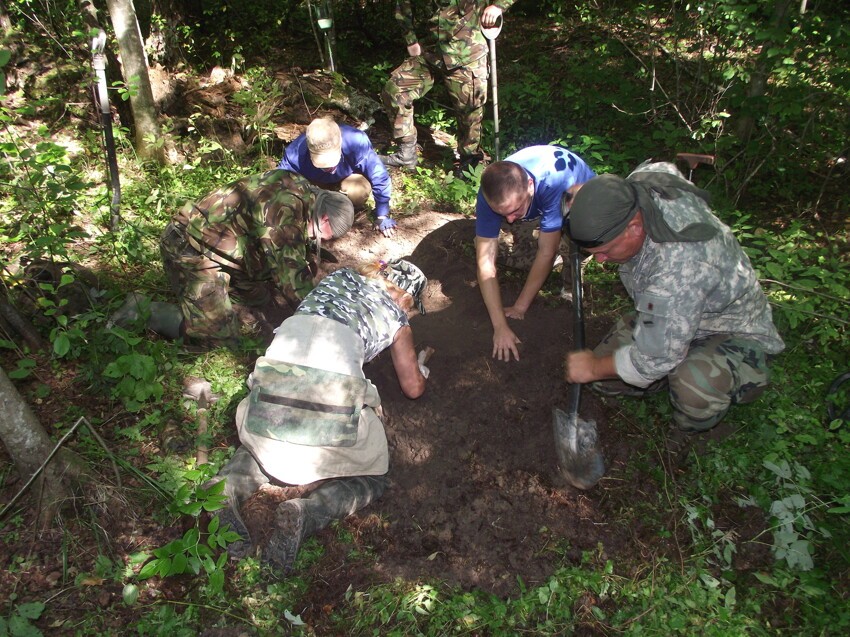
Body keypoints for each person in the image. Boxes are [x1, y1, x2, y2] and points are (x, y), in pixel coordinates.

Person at [207, 258, 430, 573]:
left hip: (273, 379)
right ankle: (309, 513)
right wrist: (420, 371)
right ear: (406, 298)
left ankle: (226, 487)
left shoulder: (337, 279)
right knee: (374, 476)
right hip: (326, 396)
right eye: (411, 307)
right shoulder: (396, 317)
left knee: (260, 446)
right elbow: (413, 388)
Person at [564, 160, 785, 435]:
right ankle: (665, 366)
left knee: (692, 385)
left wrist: (594, 367)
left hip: (728, 330)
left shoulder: (677, 271)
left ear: (634, 227)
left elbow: (650, 361)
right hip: (678, 311)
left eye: (605, 251)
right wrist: (591, 198)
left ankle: (696, 430)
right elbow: (663, 166)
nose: (600, 260)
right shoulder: (644, 184)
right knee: (605, 380)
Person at [129, 169, 354, 343]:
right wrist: (326, 322)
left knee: (264, 300)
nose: (323, 241)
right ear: (324, 218)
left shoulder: (300, 188)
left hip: (227, 245)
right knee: (219, 334)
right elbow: (293, 279)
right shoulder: (285, 214)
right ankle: (144, 309)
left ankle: (229, 297)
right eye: (326, 236)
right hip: (189, 246)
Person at [475, 145, 596, 362]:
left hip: (578, 202)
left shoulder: (555, 182)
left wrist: (520, 307)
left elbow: (546, 252)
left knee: (577, 240)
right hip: (539, 205)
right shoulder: (489, 196)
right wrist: (500, 326)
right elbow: (485, 263)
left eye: (515, 211)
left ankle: (570, 275)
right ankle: (547, 236)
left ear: (530, 185)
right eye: (503, 214)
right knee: (498, 250)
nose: (510, 220)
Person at [381, 1, 515, 173]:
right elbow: (403, 5)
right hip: (431, 52)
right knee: (394, 90)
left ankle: (469, 164)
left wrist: (498, 6)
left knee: (470, 113)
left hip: (467, 54)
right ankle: (406, 153)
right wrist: (410, 40)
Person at [278, 117, 398, 238]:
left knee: (358, 192)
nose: (328, 168)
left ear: (340, 143)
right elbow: (279, 183)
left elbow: (379, 176)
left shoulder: (356, 141)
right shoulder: (295, 153)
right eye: (322, 164)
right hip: (314, 182)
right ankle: (320, 208)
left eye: (332, 161)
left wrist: (382, 215)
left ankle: (343, 209)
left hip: (348, 177)